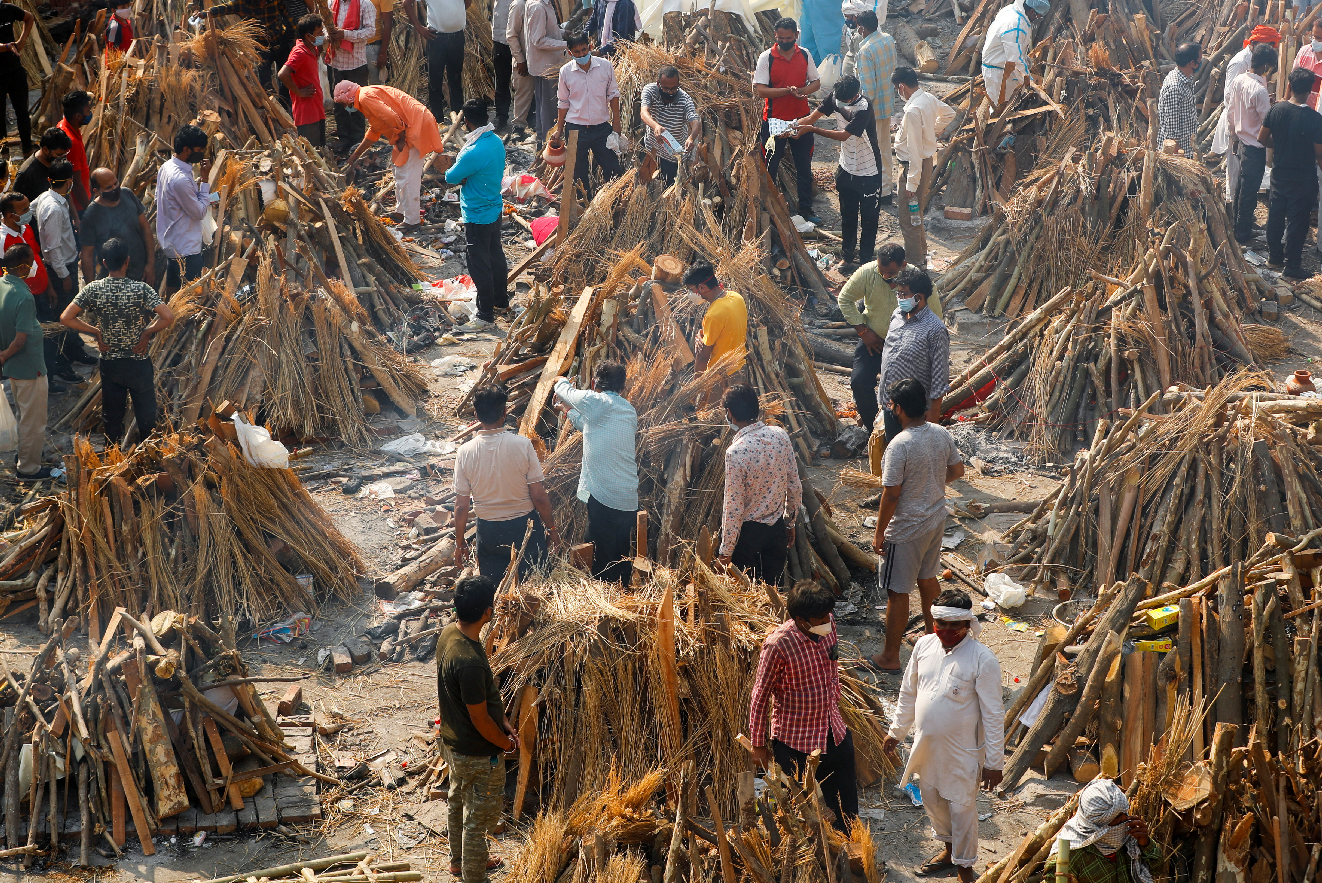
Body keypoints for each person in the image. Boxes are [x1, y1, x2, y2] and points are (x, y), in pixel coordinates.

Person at [883, 589, 1004, 882]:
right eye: (941, 624)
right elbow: (908, 693)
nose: (947, 632)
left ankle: (965, 867)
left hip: (963, 753)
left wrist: (994, 762)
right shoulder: (923, 645)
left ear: (967, 624)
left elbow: (993, 714)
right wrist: (896, 731)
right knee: (933, 802)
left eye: (954, 626)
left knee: (962, 810)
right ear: (933, 622)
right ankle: (949, 854)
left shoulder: (982, 659)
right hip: (926, 747)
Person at [867, 377, 964, 671]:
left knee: (898, 593)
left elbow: (892, 494)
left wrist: (880, 532)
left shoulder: (899, 445)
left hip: (906, 529)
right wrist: (931, 485)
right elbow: (957, 470)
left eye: (893, 406)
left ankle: (890, 657)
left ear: (898, 408)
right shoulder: (939, 433)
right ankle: (933, 643)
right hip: (935, 520)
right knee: (927, 580)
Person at [748, 579, 857, 830]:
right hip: (795, 741)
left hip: (833, 731)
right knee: (804, 811)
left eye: (828, 616)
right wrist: (758, 745)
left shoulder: (828, 627)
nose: (826, 623)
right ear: (801, 619)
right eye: (820, 618)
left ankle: (849, 850)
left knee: (845, 805)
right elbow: (760, 695)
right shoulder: (778, 645)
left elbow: (832, 668)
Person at [435, 574, 518, 883]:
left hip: (454, 744)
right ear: (487, 612)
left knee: (457, 802)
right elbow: (480, 720)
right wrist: (505, 744)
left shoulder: (449, 635)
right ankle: (474, 876)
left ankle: (460, 863)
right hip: (476, 753)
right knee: (478, 820)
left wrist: (504, 721)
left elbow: (478, 703)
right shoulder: (468, 660)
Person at [61, 238, 175, 446]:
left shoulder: (93, 289)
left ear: (104, 263)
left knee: (111, 417)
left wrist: (95, 330)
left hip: (110, 363)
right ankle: (147, 458)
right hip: (138, 362)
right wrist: (146, 332)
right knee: (146, 416)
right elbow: (168, 317)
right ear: (127, 261)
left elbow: (66, 318)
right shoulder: (141, 289)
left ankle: (111, 459)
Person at [452, 384, 563, 583]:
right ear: (505, 412)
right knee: (533, 590)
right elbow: (538, 496)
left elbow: (461, 506)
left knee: (496, 593)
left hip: (488, 532)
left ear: (476, 415)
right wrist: (552, 529)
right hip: (524, 528)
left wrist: (460, 544)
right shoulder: (522, 445)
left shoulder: (465, 452)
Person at [838, 243, 943, 432]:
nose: (885, 276)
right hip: (874, 340)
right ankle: (874, 430)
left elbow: (934, 320)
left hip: (910, 346)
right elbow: (844, 299)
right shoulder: (868, 273)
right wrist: (863, 331)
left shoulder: (919, 281)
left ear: (903, 265)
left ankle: (911, 430)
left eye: (891, 273)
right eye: (882, 270)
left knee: (907, 394)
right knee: (859, 382)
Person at [553, 361, 638, 583]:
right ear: (623, 387)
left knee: (600, 554)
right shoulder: (628, 410)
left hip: (605, 498)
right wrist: (567, 411)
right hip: (628, 498)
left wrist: (560, 381)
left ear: (593, 383)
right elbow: (590, 426)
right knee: (621, 552)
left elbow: (566, 392)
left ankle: (605, 602)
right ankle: (624, 595)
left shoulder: (595, 400)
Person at [794, 75, 881, 270]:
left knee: (869, 221)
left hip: (868, 171)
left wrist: (811, 130)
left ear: (854, 95)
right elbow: (811, 117)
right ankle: (848, 258)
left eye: (845, 100)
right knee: (848, 216)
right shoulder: (835, 97)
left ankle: (866, 263)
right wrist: (793, 126)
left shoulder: (863, 107)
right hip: (846, 168)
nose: (840, 102)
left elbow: (843, 135)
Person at [437, 99, 508, 331]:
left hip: (477, 215)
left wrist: (460, 172)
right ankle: (500, 301)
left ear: (466, 121)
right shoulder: (496, 141)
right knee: (495, 256)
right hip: (495, 209)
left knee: (479, 265)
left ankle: (485, 316)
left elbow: (450, 176)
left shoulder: (472, 152)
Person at [337, 82, 448, 229]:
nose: (346, 107)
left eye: (344, 103)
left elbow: (391, 116)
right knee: (399, 171)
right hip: (408, 126)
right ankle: (401, 212)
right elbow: (374, 131)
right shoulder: (365, 98)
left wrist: (402, 138)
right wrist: (355, 155)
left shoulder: (364, 97)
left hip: (414, 126)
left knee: (409, 176)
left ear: (348, 96)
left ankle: (412, 221)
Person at [719, 384, 800, 583]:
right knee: (773, 592)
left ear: (729, 413)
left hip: (748, 537)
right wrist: (790, 522)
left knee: (750, 601)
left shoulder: (736, 452)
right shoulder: (780, 435)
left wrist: (726, 551)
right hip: (776, 530)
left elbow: (734, 507)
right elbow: (794, 485)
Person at [754, 18, 821, 222]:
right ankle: (769, 209)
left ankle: (806, 210)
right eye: (781, 38)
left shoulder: (805, 54)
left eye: (788, 38)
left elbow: (816, 82)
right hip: (774, 120)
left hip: (801, 119)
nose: (784, 42)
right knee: (770, 166)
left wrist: (802, 91)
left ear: (796, 36)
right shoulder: (767, 58)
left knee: (804, 166)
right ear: (775, 36)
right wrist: (786, 91)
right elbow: (760, 90)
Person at [874, 267, 949, 445]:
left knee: (912, 457)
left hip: (915, 410)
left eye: (904, 294)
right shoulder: (896, 316)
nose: (900, 298)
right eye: (898, 293)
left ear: (919, 296)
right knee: (894, 452)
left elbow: (940, 374)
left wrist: (933, 412)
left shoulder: (935, 329)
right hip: (891, 403)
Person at [1262, 68, 1322, 280]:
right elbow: (1319, 153)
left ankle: (1274, 258)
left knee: (1276, 216)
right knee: (1297, 222)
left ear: (1290, 86)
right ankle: (1292, 268)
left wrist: (1279, 145)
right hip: (1303, 178)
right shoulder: (1314, 119)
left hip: (1280, 173)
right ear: (1311, 90)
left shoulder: (1276, 110)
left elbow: (1262, 139)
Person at [1212, 25, 1280, 203]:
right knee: (1235, 174)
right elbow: (1230, 98)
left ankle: (1240, 213)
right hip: (1238, 124)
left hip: (1249, 124)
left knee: (1245, 179)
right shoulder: (1240, 62)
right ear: (1256, 43)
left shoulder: (1256, 62)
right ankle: (1233, 211)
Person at [0, 244, 51, 481]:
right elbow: (20, 340)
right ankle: (28, 469)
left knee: (24, 414)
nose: (34, 266)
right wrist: (4, 355)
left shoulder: (3, 284)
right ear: (23, 266)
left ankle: (24, 455)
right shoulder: (24, 296)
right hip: (30, 368)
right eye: (32, 262)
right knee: (33, 421)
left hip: (14, 369)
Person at [551, 32, 624, 188]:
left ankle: (613, 205)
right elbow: (563, 103)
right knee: (578, 174)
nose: (582, 54)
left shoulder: (605, 66)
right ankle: (583, 207)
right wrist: (559, 130)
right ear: (570, 53)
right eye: (577, 52)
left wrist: (616, 123)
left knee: (613, 170)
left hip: (602, 128)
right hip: (576, 129)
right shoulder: (565, 71)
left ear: (590, 47)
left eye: (584, 50)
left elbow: (613, 95)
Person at [1050, 779, 1160, 883]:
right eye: (1117, 817)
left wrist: (1146, 844)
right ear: (1097, 823)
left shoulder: (1128, 838)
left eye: (1124, 813)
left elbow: (1158, 869)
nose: (1124, 819)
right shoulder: (1068, 856)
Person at [31, 160, 81, 382]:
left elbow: (29, 212)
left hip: (62, 266)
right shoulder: (53, 208)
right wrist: (64, 275)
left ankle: (73, 351)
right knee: (64, 316)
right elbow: (52, 247)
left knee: (68, 314)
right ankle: (62, 363)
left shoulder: (46, 198)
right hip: (61, 269)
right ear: (69, 181)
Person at [893, 65, 944, 267]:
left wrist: (911, 184)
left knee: (909, 218)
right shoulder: (928, 98)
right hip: (925, 162)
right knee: (917, 213)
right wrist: (931, 132)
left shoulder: (913, 111)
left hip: (912, 167)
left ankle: (915, 264)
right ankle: (922, 254)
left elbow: (913, 151)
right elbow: (948, 114)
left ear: (902, 87)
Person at [1226, 44, 1277, 243]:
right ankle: (1243, 234)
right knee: (1248, 193)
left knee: (1241, 188)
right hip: (1255, 146)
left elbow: (1231, 111)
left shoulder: (1240, 80)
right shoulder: (1259, 90)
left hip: (1242, 141)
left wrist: (1234, 137)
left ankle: (1239, 227)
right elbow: (1267, 122)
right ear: (1265, 65)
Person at [155, 125, 213, 295]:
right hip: (186, 249)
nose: (202, 152)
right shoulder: (180, 179)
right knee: (194, 298)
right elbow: (200, 212)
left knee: (173, 294)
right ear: (186, 150)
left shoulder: (167, 167)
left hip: (173, 244)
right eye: (199, 149)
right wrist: (205, 179)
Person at [81, 170, 156, 286]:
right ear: (97, 191)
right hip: (114, 283)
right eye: (108, 187)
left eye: (116, 183)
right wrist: (91, 290)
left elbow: (145, 228)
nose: (115, 189)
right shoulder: (91, 215)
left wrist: (150, 265)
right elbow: (87, 255)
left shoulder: (128, 195)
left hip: (142, 275)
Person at [854, 10, 897, 202]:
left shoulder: (865, 51)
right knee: (885, 147)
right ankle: (886, 187)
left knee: (874, 151)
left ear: (862, 28)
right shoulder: (887, 39)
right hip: (887, 102)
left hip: (873, 109)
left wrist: (858, 111)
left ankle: (882, 190)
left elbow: (868, 90)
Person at [207, 0, 296, 91]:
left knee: (286, 78)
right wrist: (204, 13)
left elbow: (288, 17)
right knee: (265, 82)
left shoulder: (276, 1)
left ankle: (286, 103)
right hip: (261, 47)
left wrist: (293, 37)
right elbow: (225, 8)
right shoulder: (243, 4)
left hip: (280, 42)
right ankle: (272, 102)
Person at [326, 0, 376, 150]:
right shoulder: (331, 3)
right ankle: (343, 138)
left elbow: (370, 31)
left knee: (357, 104)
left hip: (356, 63)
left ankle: (357, 141)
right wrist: (328, 35)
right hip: (336, 62)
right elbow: (323, 27)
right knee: (339, 104)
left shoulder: (365, 4)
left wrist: (344, 34)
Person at [403, 0, 466, 120]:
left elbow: (466, 4)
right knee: (435, 80)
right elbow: (406, 4)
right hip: (436, 38)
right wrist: (419, 27)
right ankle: (437, 119)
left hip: (457, 37)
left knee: (456, 79)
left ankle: (459, 118)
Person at [686, 262, 748, 380]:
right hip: (738, 368)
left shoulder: (713, 315)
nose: (690, 294)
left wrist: (696, 384)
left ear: (702, 287)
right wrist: (700, 334)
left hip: (721, 377)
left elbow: (703, 356)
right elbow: (722, 330)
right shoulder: (736, 297)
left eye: (691, 290)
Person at [639, 66, 700, 184]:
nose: (670, 92)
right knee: (644, 182)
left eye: (674, 88)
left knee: (669, 187)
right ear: (658, 84)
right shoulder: (650, 90)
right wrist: (656, 126)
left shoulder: (685, 99)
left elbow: (695, 121)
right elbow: (643, 113)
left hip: (673, 155)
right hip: (652, 148)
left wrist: (691, 137)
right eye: (666, 89)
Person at [980, 0, 1046, 110]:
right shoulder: (1016, 25)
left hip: (1001, 67)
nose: (1037, 19)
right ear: (1032, 11)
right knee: (1000, 109)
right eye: (1037, 16)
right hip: (999, 73)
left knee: (1003, 106)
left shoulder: (1011, 10)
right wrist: (1029, 83)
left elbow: (1011, 48)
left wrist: (1025, 58)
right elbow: (1014, 60)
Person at [1293, 20, 1322, 254]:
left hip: (1318, 117)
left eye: (1319, 38)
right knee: (1303, 161)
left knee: (1316, 161)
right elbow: (1293, 79)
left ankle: (1314, 207)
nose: (1315, 41)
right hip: (1302, 114)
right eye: (1314, 36)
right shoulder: (1304, 52)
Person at [278, 15, 328, 148]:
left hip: (316, 107)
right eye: (319, 33)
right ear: (308, 35)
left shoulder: (312, 48)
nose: (322, 35)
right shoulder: (299, 52)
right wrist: (299, 92)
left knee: (321, 149)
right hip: (306, 112)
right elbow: (283, 74)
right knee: (311, 151)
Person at [524, 0, 565, 145]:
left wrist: (564, 33)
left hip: (545, 66)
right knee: (549, 112)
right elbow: (539, 40)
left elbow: (546, 30)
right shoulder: (538, 7)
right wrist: (566, 45)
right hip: (547, 67)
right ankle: (550, 147)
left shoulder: (542, 4)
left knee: (544, 111)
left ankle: (543, 146)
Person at [0, 1, 34, 157]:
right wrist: (7, 46)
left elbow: (30, 17)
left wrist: (22, 41)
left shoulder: (7, 9)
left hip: (15, 70)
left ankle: (28, 151)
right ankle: (4, 158)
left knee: (22, 113)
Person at [0, 193, 46, 308]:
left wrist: (49, 287)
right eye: (25, 210)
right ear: (11, 216)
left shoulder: (26, 227)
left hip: (41, 292)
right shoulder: (2, 240)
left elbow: (37, 257)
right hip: (21, 300)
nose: (29, 212)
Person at [1158, 42, 1202, 156]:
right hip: (1178, 151)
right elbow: (1171, 127)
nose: (1201, 61)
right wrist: (1178, 155)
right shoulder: (1175, 88)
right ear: (1192, 63)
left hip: (1187, 145)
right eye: (1200, 59)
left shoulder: (1185, 79)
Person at [57, 91, 93, 213]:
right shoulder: (71, 143)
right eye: (88, 111)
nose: (90, 114)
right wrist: (88, 211)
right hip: (79, 205)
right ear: (78, 116)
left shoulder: (64, 125)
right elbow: (76, 183)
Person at [13, 128, 71, 203]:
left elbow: (67, 194)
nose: (63, 158)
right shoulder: (27, 173)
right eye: (59, 154)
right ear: (45, 149)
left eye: (65, 154)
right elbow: (17, 205)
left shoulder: (59, 161)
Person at [503, 0, 534, 136]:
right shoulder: (519, 5)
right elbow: (511, 35)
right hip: (524, 60)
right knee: (523, 93)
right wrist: (521, 60)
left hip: (538, 59)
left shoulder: (539, 4)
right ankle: (518, 128)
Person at [839, 0, 870, 76]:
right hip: (852, 53)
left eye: (848, 17)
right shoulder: (848, 28)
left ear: (856, 16)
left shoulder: (864, 32)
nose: (847, 20)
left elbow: (862, 56)